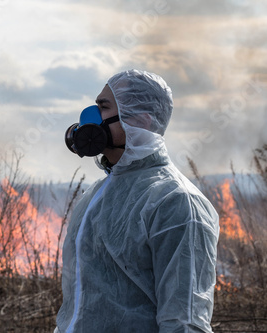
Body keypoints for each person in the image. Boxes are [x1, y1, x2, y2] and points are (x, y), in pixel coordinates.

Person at [57, 69, 220, 332]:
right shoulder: (96, 196)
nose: (91, 117)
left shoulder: (177, 201)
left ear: (141, 121)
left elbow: (185, 320)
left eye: (103, 107)